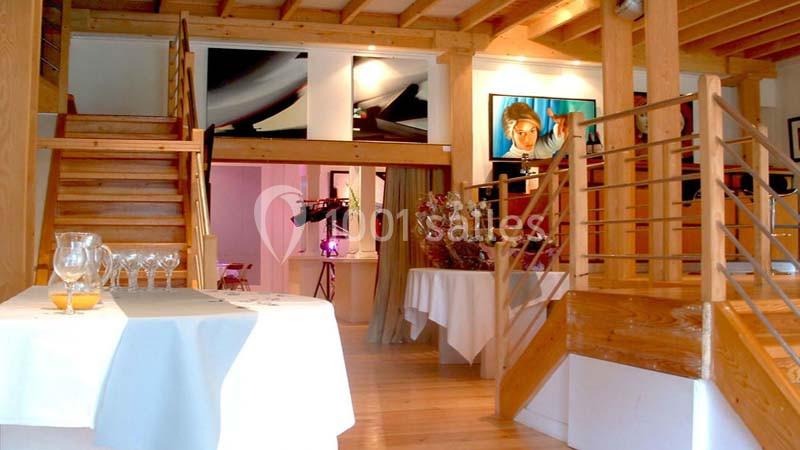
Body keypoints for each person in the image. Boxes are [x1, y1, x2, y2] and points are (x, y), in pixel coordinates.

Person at [500, 102, 569, 159]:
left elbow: (556, 139)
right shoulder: (504, 160)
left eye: (532, 131)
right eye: (521, 133)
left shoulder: (542, 147)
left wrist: (566, 123)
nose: (528, 139)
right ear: (510, 133)